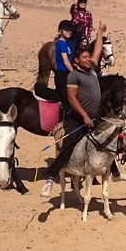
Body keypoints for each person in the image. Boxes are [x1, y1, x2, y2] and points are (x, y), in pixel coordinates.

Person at [40, 22, 107, 197]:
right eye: (84, 57)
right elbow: (71, 98)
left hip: (93, 118)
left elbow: (98, 50)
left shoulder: (92, 69)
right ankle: (50, 179)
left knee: (111, 136)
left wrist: (99, 32)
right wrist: (84, 116)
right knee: (69, 145)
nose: (87, 58)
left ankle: (115, 172)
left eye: (88, 56)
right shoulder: (74, 75)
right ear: (76, 61)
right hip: (76, 119)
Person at [54, 20, 75, 107]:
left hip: (65, 73)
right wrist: (74, 73)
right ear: (60, 31)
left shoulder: (65, 43)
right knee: (66, 100)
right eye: (66, 30)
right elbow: (66, 62)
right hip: (62, 73)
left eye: (70, 30)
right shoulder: (61, 43)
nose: (69, 32)